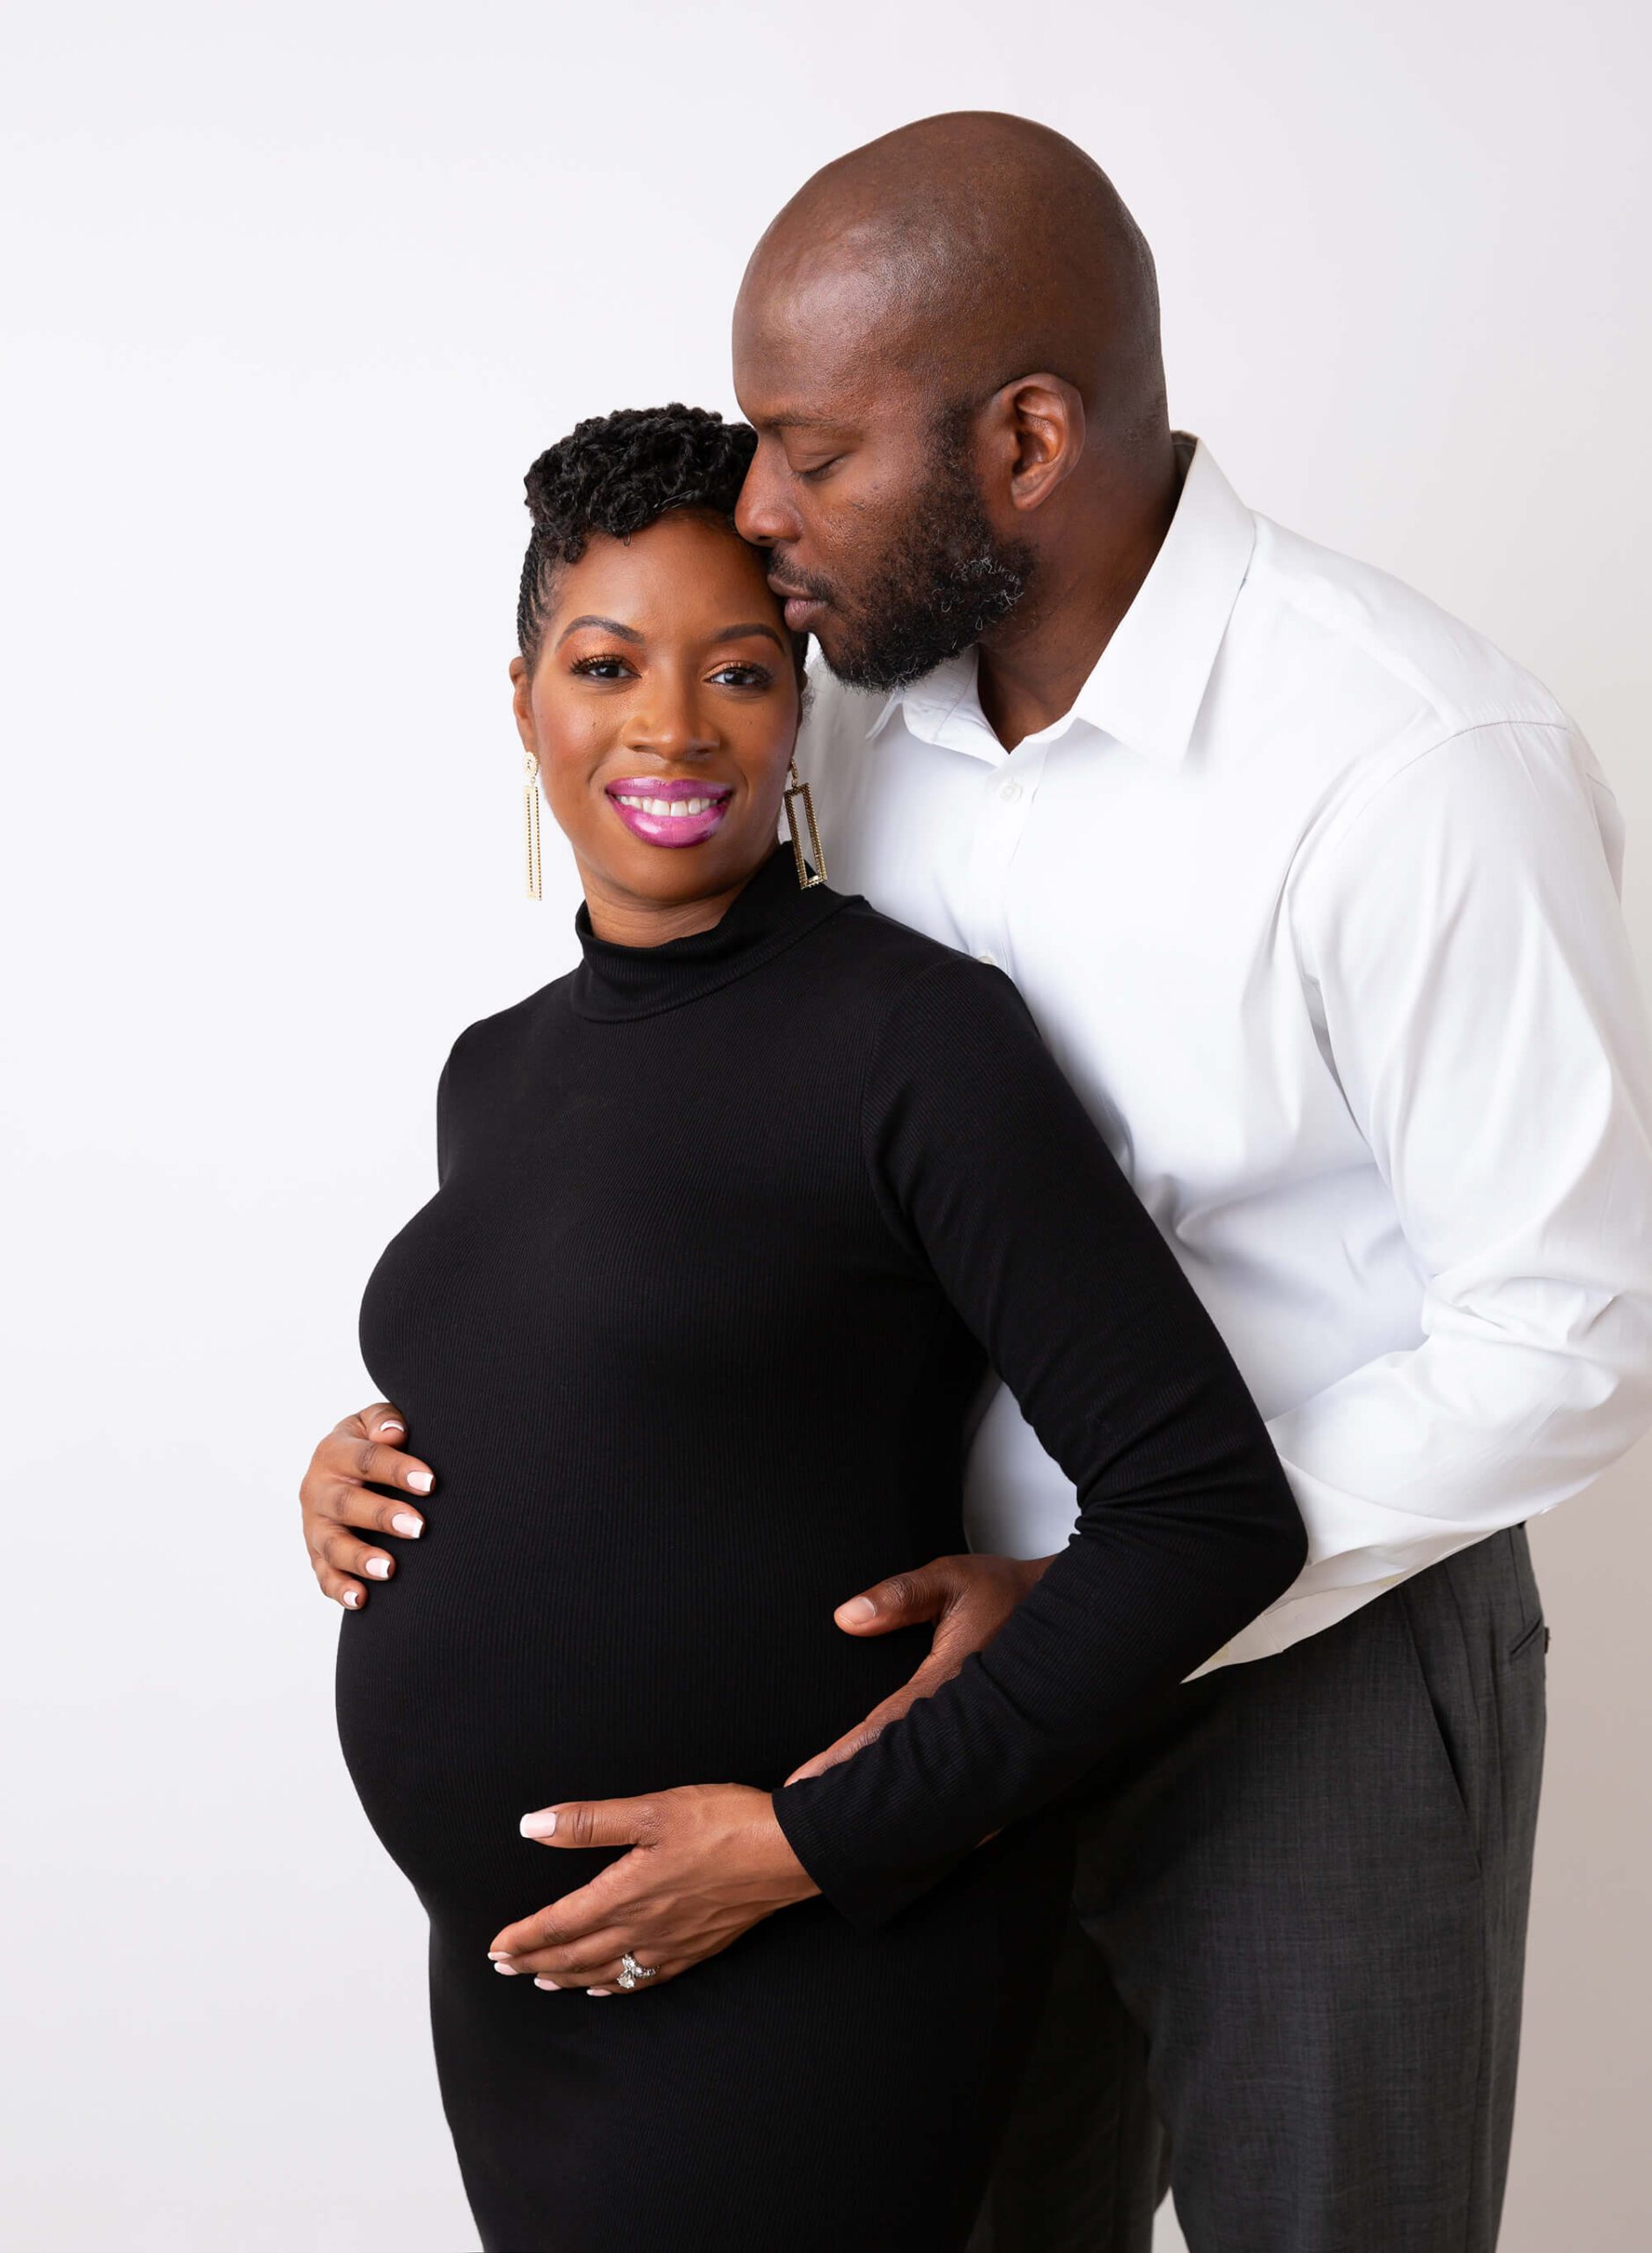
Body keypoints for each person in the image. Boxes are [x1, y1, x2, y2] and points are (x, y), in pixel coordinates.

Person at [300, 116, 1652, 2251]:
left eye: (809, 452)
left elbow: (1576, 1333)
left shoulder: (1406, 765)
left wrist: (1109, 1595)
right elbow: (725, 1130)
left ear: (1025, 438)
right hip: (924, 1705)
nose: (760, 515)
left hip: (1312, 1656)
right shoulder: (855, 709)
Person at [320, 402, 1304, 2253]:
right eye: (607, 663)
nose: (673, 727)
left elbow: (1203, 1508)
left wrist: (810, 1842)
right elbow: (611, 1381)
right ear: (523, 692)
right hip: (522, 1988)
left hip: (810, 1961)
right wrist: (354, 1460)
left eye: (742, 669)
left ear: (801, 710)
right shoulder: (495, 1071)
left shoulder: (913, 1037)